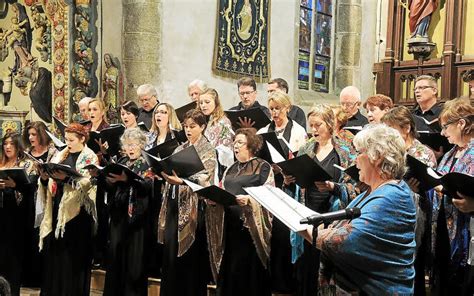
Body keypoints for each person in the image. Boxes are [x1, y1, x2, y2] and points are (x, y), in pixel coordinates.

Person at [304, 124, 416, 294]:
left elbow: (340, 242)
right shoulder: (374, 190)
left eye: (359, 153)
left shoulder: (392, 196)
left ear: (377, 156)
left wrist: (305, 229)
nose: (355, 160)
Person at [283, 104, 355, 296]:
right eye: (311, 125)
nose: (313, 129)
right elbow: (298, 178)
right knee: (308, 266)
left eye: (318, 125)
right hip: (308, 211)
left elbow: (356, 186)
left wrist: (334, 187)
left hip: (333, 216)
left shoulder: (345, 150)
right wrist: (289, 180)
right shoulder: (306, 147)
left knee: (328, 270)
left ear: (330, 124)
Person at [208, 128, 274, 296]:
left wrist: (250, 200)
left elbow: (270, 194)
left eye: (240, 142)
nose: (235, 146)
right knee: (231, 270)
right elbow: (222, 189)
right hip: (229, 227)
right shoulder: (230, 168)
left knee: (248, 272)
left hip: (250, 229)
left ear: (250, 145)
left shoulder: (262, 166)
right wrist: (213, 199)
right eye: (234, 142)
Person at [157, 109, 216, 296]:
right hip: (174, 204)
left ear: (203, 127)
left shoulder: (208, 149)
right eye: (186, 126)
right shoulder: (180, 148)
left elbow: (207, 177)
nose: (188, 130)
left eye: (193, 127)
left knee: (190, 259)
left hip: (193, 209)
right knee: (171, 254)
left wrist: (183, 181)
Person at [381, 106, 436, 296]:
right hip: (391, 211)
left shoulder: (423, 152)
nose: (388, 135)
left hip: (416, 213)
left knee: (413, 264)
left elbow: (433, 185)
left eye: (391, 129)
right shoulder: (391, 152)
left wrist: (415, 188)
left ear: (405, 128)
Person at [38, 123, 99, 296]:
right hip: (57, 211)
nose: (68, 143)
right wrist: (44, 178)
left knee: (72, 261)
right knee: (55, 260)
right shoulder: (60, 154)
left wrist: (65, 179)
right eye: (66, 139)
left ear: (82, 139)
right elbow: (49, 182)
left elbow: (87, 184)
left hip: (78, 215)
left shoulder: (90, 156)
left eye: (72, 140)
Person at [93, 128, 154, 296]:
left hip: (137, 219)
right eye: (127, 145)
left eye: (134, 144)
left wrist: (127, 179)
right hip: (118, 216)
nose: (131, 148)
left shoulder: (147, 163)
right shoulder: (122, 161)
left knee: (134, 263)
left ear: (142, 145)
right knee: (116, 258)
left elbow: (148, 186)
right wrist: (102, 177)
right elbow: (111, 186)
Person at [430, 98, 473, 295]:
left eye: (446, 126)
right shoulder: (451, 152)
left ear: (461, 124)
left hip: (467, 230)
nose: (443, 133)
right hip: (442, 226)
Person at [21, 122, 58, 288]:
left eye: (34, 134)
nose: (30, 138)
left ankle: (42, 277)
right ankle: (28, 276)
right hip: (28, 198)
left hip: (46, 198)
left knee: (42, 234)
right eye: (29, 135)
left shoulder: (53, 152)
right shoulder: (27, 154)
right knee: (28, 235)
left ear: (42, 135)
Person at [0, 132, 34, 296]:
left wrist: (15, 185)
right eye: (5, 143)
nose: (7, 147)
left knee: (12, 258)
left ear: (18, 146)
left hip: (15, 218)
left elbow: (30, 192)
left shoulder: (25, 165)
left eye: (11, 144)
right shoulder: (0, 163)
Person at [258, 90, 307, 158]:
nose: (274, 112)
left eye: (278, 108)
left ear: (287, 108)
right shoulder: (263, 131)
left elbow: (303, 157)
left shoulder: (299, 131)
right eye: (271, 109)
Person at [198, 88, 234, 179]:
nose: (203, 105)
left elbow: (227, 150)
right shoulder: (201, 120)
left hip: (216, 166)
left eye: (207, 102)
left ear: (216, 102)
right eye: (201, 103)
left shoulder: (223, 122)